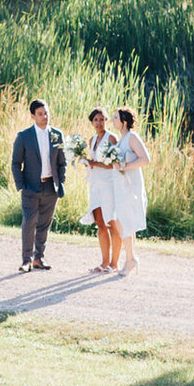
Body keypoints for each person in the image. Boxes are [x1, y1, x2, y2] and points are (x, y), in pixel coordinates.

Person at [9, 98, 67, 272]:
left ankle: (38, 258)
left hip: (51, 187)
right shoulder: (24, 136)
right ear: (32, 116)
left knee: (44, 223)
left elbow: (62, 162)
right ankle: (26, 260)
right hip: (31, 187)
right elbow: (15, 163)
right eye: (40, 114)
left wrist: (61, 182)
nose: (44, 117)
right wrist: (21, 185)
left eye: (46, 113)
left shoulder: (57, 135)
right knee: (29, 222)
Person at [110, 107, 153, 273]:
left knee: (123, 221)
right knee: (123, 220)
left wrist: (125, 166)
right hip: (121, 185)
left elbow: (145, 159)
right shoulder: (120, 140)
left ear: (124, 122)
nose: (113, 120)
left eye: (115, 118)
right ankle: (131, 257)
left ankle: (130, 260)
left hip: (131, 186)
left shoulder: (132, 137)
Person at [79, 106, 121, 274]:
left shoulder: (112, 138)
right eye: (96, 120)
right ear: (92, 122)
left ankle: (114, 263)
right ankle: (104, 262)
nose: (99, 123)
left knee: (111, 222)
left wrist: (95, 164)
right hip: (95, 185)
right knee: (100, 223)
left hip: (109, 184)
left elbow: (115, 164)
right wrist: (86, 161)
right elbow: (94, 160)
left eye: (102, 119)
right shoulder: (92, 140)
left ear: (106, 121)